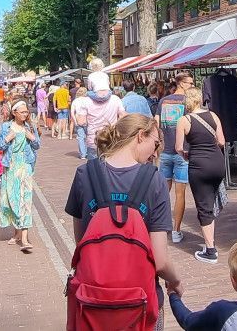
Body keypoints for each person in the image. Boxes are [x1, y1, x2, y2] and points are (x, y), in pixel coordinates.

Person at [65, 113, 183, 329]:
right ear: (140, 136)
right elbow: (160, 260)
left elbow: (81, 242)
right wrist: (175, 281)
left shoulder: (84, 174)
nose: (155, 152)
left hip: (91, 300)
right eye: (155, 143)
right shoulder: (154, 180)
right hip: (139, 302)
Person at [176, 87, 226, 263]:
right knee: (210, 202)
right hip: (218, 163)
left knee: (203, 206)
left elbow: (178, 148)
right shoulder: (213, 116)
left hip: (199, 166)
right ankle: (209, 240)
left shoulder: (184, 120)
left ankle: (210, 251)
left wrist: (187, 155)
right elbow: (221, 141)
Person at [155, 71, 194, 244]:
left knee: (163, 192)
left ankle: (160, 227)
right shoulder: (188, 103)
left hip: (165, 152)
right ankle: (177, 231)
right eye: (190, 83)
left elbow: (156, 123)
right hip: (182, 152)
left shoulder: (163, 101)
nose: (192, 86)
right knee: (180, 194)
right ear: (182, 84)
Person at [0, 100, 40, 252]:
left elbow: (37, 145)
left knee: (25, 199)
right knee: (12, 199)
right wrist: (7, 138)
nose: (25, 114)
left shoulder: (29, 127)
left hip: (25, 166)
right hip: (11, 167)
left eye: (26, 112)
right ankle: (17, 233)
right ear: (14, 113)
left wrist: (32, 137)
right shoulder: (5, 127)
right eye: (22, 112)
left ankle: (25, 239)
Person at [76, 80, 125, 160]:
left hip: (94, 139)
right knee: (111, 168)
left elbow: (81, 122)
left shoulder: (86, 101)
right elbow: (123, 116)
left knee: (94, 169)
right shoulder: (115, 99)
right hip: (111, 138)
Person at [70, 86, 88, 159]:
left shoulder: (75, 101)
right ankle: (87, 152)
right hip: (87, 120)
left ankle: (82, 154)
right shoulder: (88, 100)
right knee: (88, 137)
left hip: (78, 120)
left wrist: (75, 121)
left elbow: (72, 112)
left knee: (80, 138)